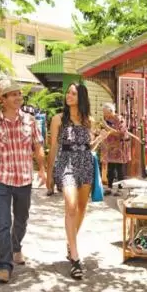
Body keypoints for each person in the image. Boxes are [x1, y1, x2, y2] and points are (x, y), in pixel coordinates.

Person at [0, 80, 47, 284]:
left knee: (21, 221)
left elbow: (38, 147)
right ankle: (4, 265)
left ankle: (16, 247)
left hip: (24, 180)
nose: (18, 97)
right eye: (12, 94)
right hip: (1, 180)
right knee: (3, 223)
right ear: (2, 100)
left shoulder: (30, 121)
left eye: (19, 94)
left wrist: (44, 170)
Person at [47, 83, 108, 281]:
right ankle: (74, 257)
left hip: (85, 163)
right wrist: (49, 174)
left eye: (73, 93)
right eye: (68, 92)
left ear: (81, 97)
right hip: (66, 164)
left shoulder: (88, 120)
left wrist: (100, 139)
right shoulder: (58, 119)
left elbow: (89, 147)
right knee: (71, 207)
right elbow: (54, 147)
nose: (69, 96)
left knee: (82, 208)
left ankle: (70, 241)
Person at [99, 102, 136, 188]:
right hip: (109, 147)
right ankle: (109, 187)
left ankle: (120, 188)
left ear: (111, 111)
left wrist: (108, 128)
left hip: (119, 148)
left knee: (119, 169)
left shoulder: (120, 119)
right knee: (110, 168)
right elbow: (104, 130)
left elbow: (121, 134)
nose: (104, 115)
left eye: (105, 112)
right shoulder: (106, 119)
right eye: (103, 112)